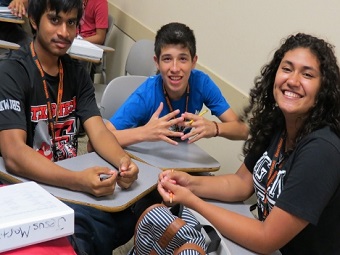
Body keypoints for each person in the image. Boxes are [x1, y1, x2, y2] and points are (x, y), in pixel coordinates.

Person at [158, 33, 340, 254]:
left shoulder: (322, 150)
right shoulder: (277, 124)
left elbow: (266, 239)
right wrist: (189, 184)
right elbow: (241, 184)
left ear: (323, 88)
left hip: (272, 247)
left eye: (307, 74)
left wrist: (193, 202)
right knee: (158, 218)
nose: (292, 80)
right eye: (287, 69)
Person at [0, 0, 139, 254]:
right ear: (34, 20)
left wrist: (123, 161)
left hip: (70, 189)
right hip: (28, 188)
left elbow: (98, 131)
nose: (64, 32)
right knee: (83, 229)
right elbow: (14, 154)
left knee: (138, 208)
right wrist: (78, 181)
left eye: (71, 22)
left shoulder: (76, 73)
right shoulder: (11, 72)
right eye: (54, 20)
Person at [103, 22, 248, 147]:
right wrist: (144, 132)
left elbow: (242, 131)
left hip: (179, 162)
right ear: (157, 62)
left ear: (194, 62)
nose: (174, 68)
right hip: (145, 159)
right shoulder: (146, 94)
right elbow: (99, 140)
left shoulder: (202, 83)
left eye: (183, 59)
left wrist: (215, 128)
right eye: (167, 59)